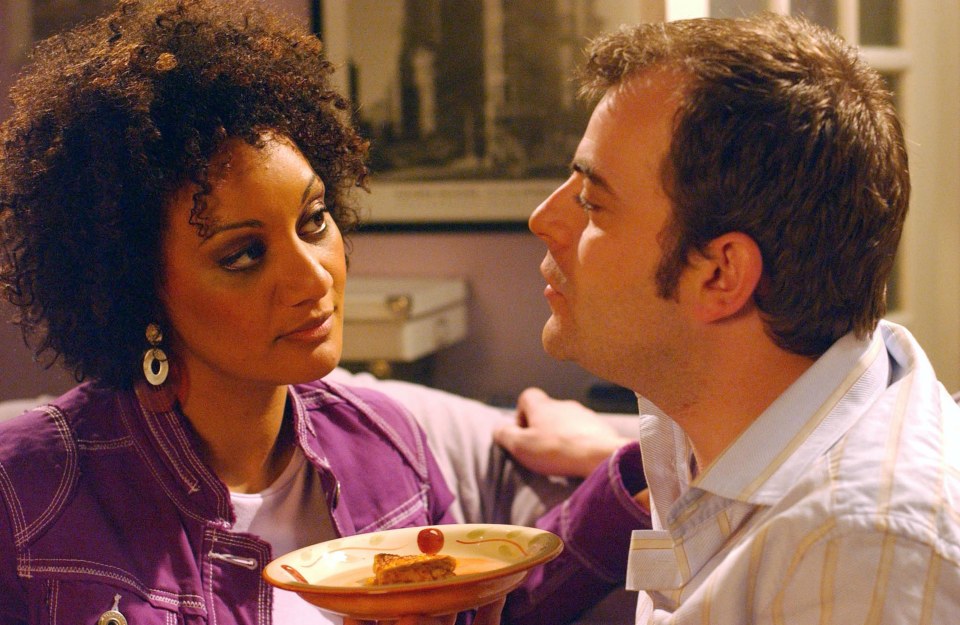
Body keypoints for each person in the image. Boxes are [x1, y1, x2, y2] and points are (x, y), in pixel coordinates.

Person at [0, 1, 502, 624]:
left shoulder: (389, 447)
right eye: (243, 255)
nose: (312, 276)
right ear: (138, 288)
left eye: (313, 221)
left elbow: (502, 597)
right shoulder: (26, 493)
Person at [495, 12, 960, 624]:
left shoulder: (858, 552)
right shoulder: (704, 431)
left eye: (592, 201)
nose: (544, 220)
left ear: (720, 274)